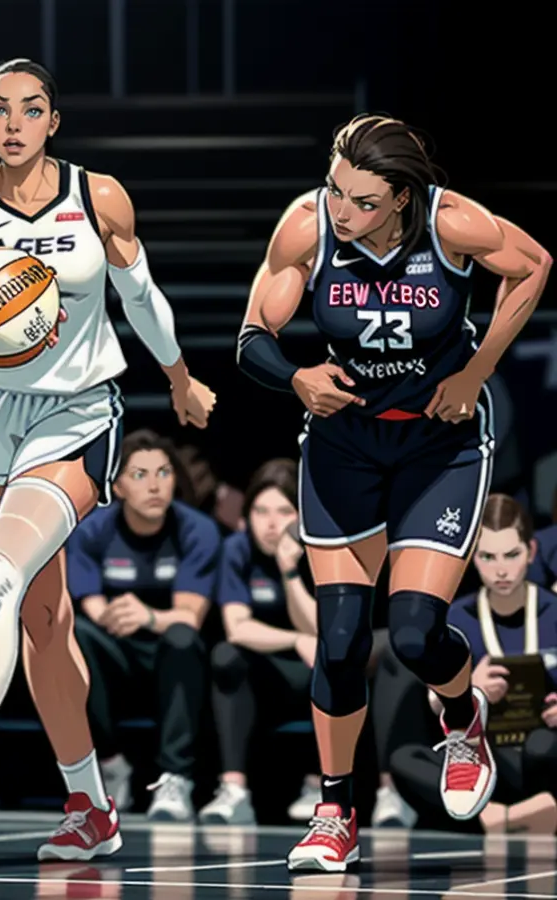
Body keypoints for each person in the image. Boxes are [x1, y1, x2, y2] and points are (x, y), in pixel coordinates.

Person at [0, 56, 216, 859]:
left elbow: (139, 296)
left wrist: (178, 376)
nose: (12, 123)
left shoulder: (96, 195)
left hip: (76, 412)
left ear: (53, 121)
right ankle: (92, 807)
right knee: (43, 616)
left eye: (29, 109)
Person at [237, 114, 552, 870]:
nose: (341, 209)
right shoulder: (306, 226)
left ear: (404, 198)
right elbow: (253, 336)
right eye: (335, 190)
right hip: (346, 444)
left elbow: (535, 263)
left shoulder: (453, 223)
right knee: (341, 642)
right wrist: (297, 378)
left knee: (413, 633)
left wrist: (476, 374)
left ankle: (462, 714)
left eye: (362, 201)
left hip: (436, 445)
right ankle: (336, 808)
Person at [200, 459, 417, 828]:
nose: (271, 524)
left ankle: (375, 792)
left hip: (331, 663)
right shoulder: (237, 549)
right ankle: (234, 790)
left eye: (284, 511)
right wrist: (295, 640)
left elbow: (326, 631)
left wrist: (289, 573)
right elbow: (237, 627)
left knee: (357, 653)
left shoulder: (323, 551)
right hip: (274, 672)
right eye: (260, 511)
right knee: (225, 656)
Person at [64, 429, 219, 822]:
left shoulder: (197, 529)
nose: (155, 486)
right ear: (117, 486)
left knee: (183, 638)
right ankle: (112, 765)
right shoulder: (93, 530)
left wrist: (148, 616)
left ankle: (175, 779)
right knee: (77, 635)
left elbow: (190, 616)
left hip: (170, 651)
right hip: (117, 647)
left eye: (164, 473)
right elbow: (92, 604)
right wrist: (114, 616)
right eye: (140, 475)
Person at [389, 495, 557, 834]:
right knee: (405, 760)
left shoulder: (554, 610)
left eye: (512, 555)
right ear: (471, 559)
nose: (501, 569)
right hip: (483, 757)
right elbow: (434, 701)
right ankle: (504, 816)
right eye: (488, 557)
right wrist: (470, 690)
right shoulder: (455, 617)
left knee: (544, 747)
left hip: (544, 751)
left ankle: (499, 818)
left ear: (532, 552)